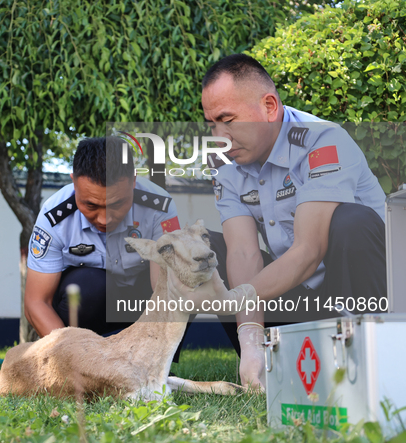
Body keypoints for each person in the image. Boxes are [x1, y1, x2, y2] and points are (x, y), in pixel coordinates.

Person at [168, 53, 387, 389]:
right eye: (211, 123)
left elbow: (309, 250)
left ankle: (369, 357)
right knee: (204, 249)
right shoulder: (225, 164)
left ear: (269, 107)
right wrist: (251, 336)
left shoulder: (322, 140)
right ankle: (263, 360)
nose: (219, 135)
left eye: (227, 119)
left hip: (352, 294)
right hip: (296, 293)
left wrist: (232, 301)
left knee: (350, 221)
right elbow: (242, 252)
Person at [25, 136, 183, 341]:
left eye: (116, 204)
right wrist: (71, 355)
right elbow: (37, 302)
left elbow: (164, 292)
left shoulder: (159, 209)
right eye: (91, 206)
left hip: (140, 311)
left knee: (185, 277)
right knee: (88, 286)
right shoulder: (54, 217)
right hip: (85, 318)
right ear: (74, 183)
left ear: (133, 181)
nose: (104, 219)